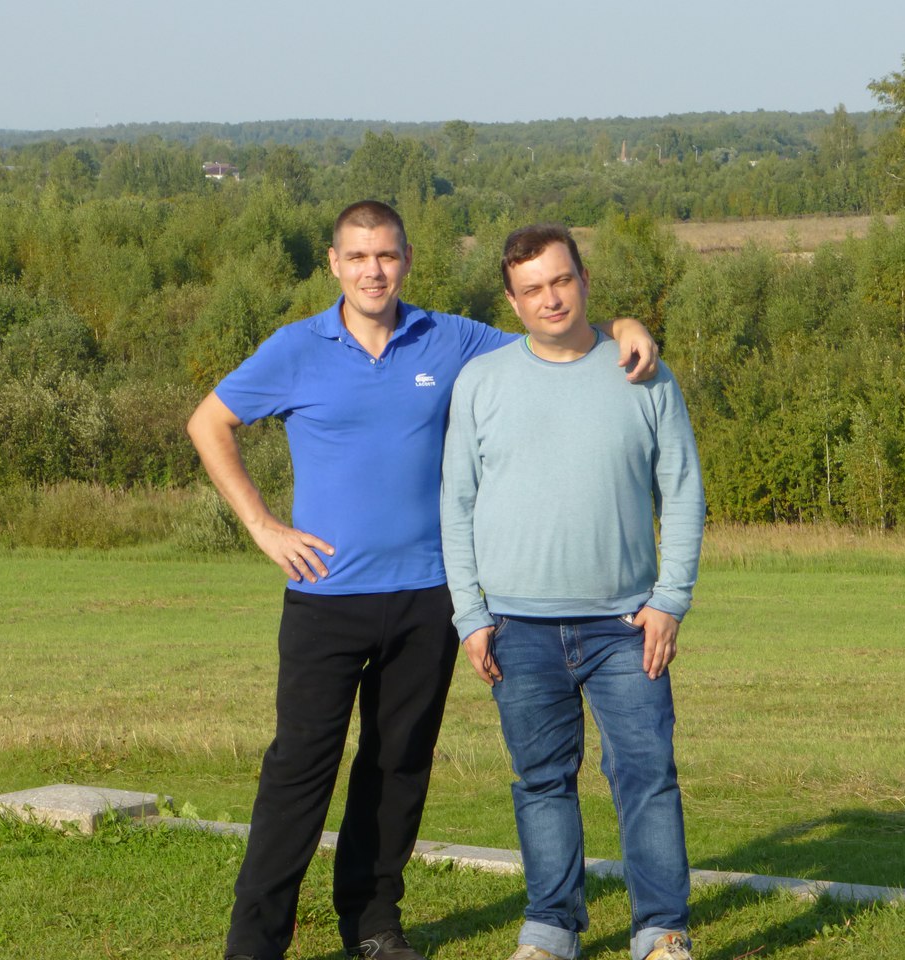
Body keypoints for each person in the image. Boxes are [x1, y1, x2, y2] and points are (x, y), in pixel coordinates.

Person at [185, 201, 660, 960]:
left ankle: (373, 926)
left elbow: (549, 336)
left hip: (425, 598)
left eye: (387, 255)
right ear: (334, 264)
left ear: (406, 260)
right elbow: (208, 423)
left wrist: (625, 327)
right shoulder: (296, 348)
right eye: (358, 256)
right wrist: (263, 527)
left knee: (398, 767)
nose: (373, 271)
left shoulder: (450, 336)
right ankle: (255, 943)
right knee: (299, 772)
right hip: (325, 599)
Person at [440, 224, 706, 960]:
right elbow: (455, 504)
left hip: (627, 626)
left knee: (647, 778)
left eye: (561, 280)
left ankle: (661, 932)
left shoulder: (643, 374)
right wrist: (470, 615)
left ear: (584, 279)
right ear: (512, 301)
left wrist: (670, 599)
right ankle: (550, 931)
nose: (550, 298)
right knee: (541, 783)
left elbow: (683, 491)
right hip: (516, 628)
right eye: (532, 289)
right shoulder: (481, 382)